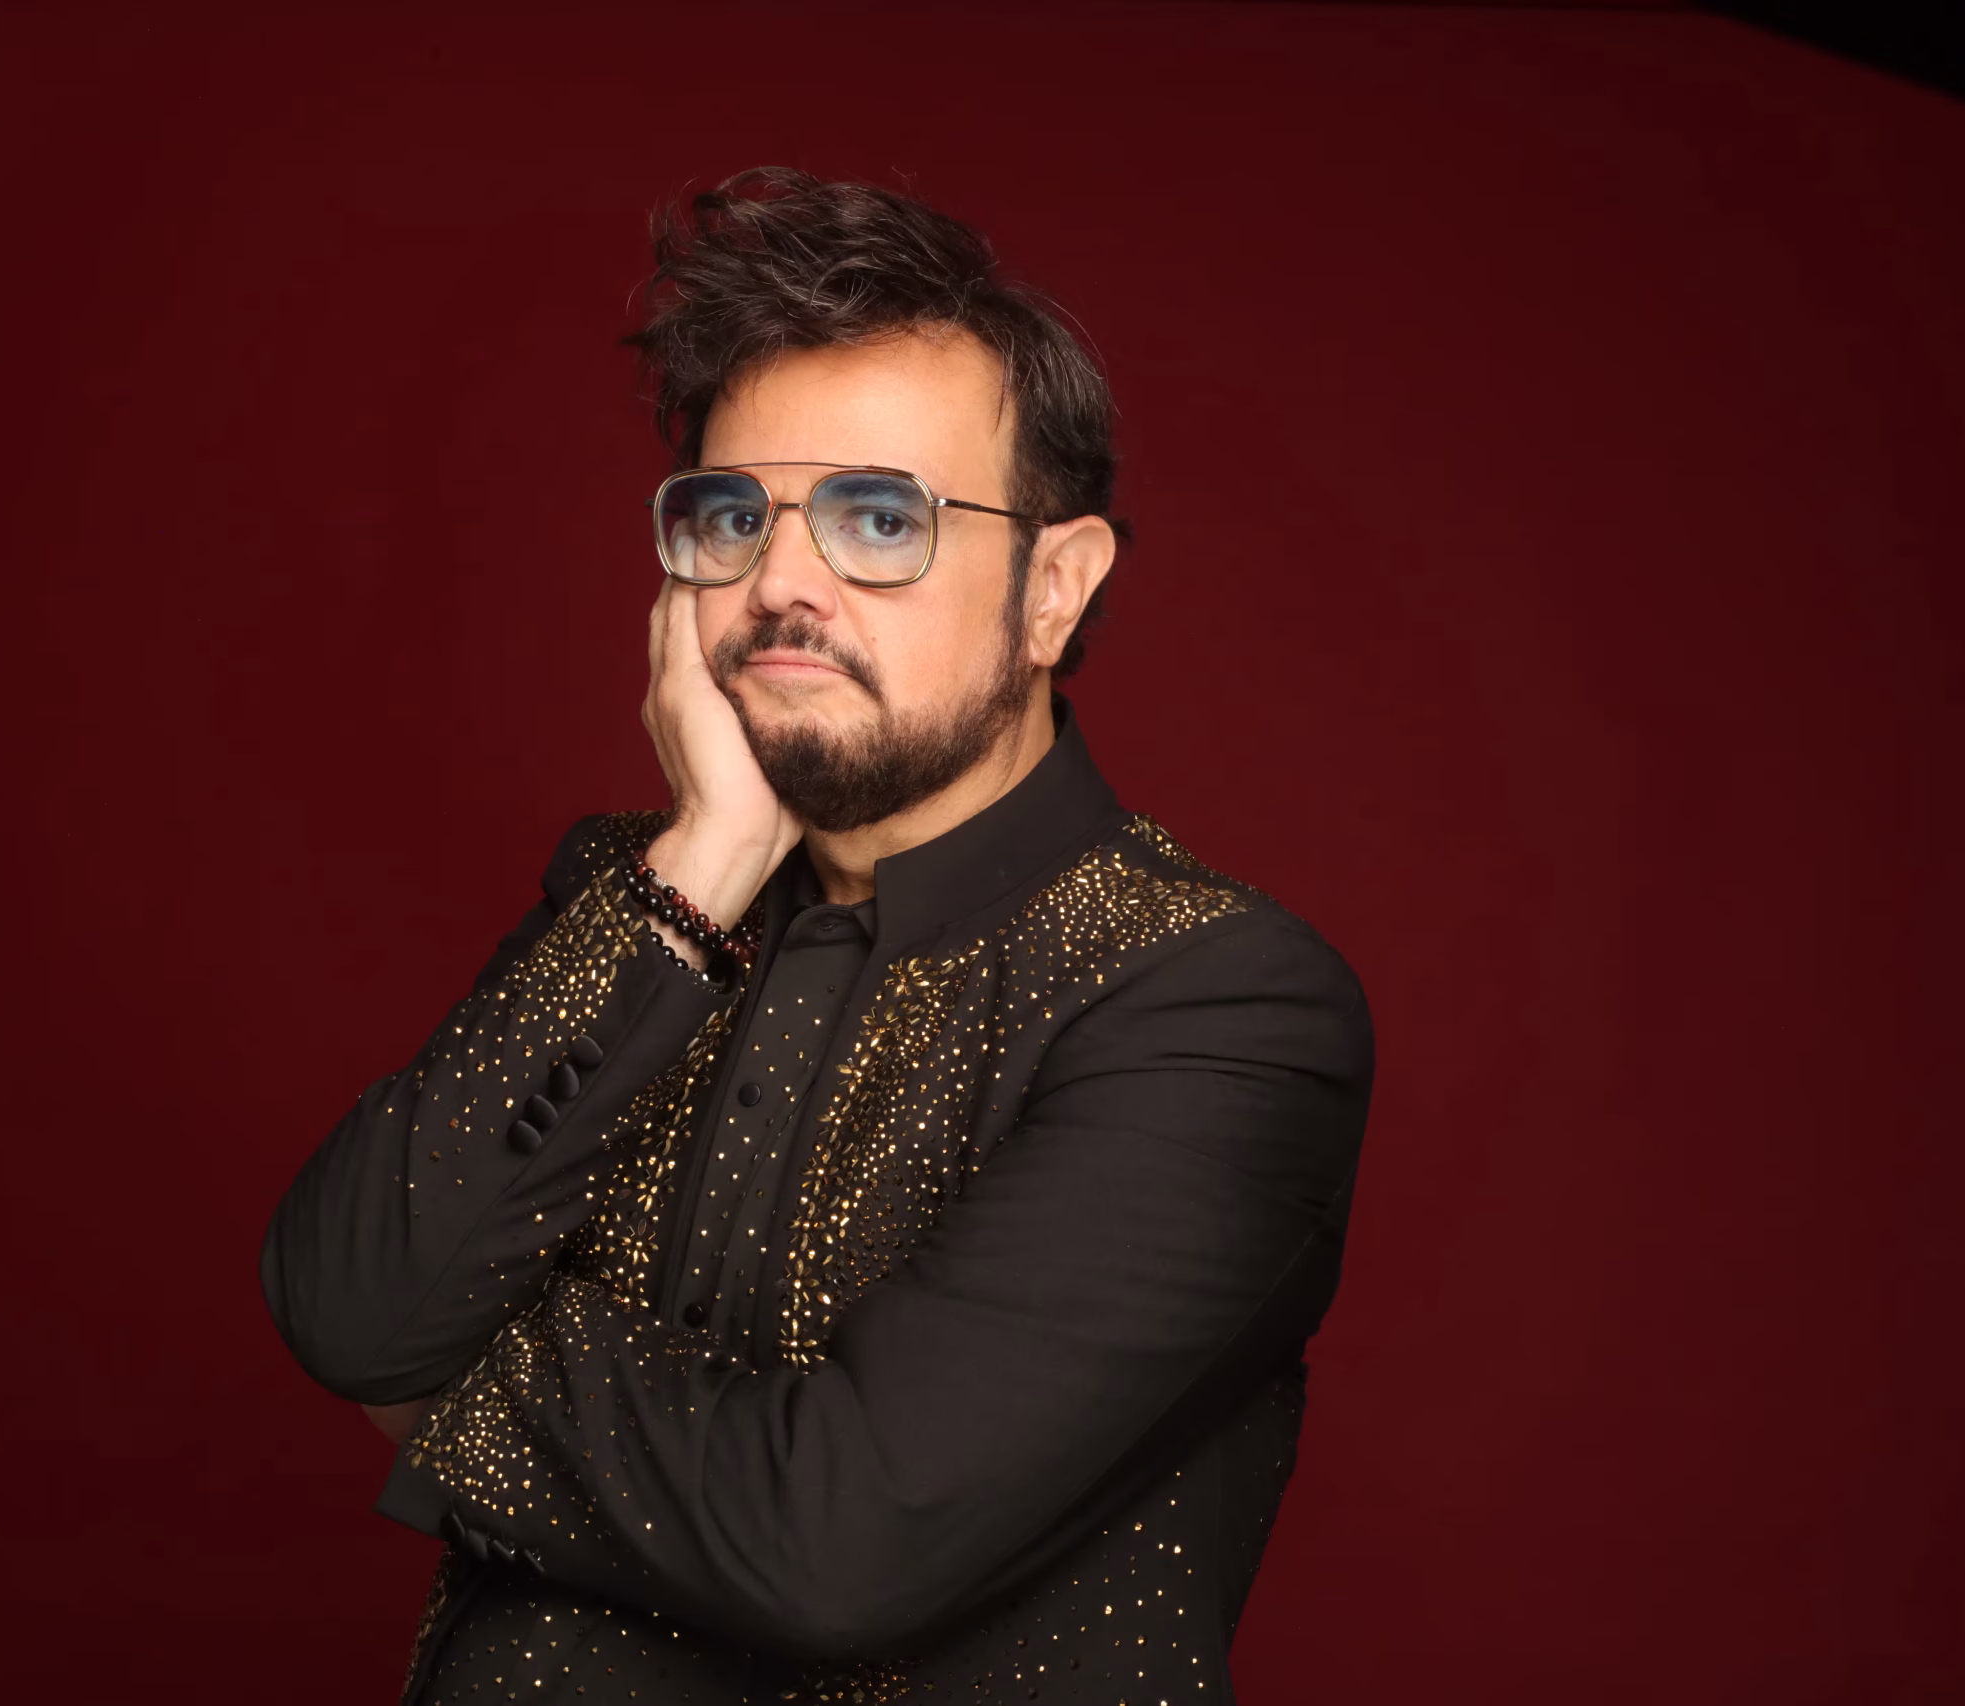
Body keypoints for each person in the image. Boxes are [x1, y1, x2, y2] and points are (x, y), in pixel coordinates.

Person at [262, 167, 1374, 1705]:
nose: (780, 584)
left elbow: (835, 1543)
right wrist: (703, 864)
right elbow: (343, 1301)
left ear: (1053, 589)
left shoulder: (1211, 1001)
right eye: (733, 517)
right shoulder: (639, 902)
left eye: (877, 517)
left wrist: (444, 1384)